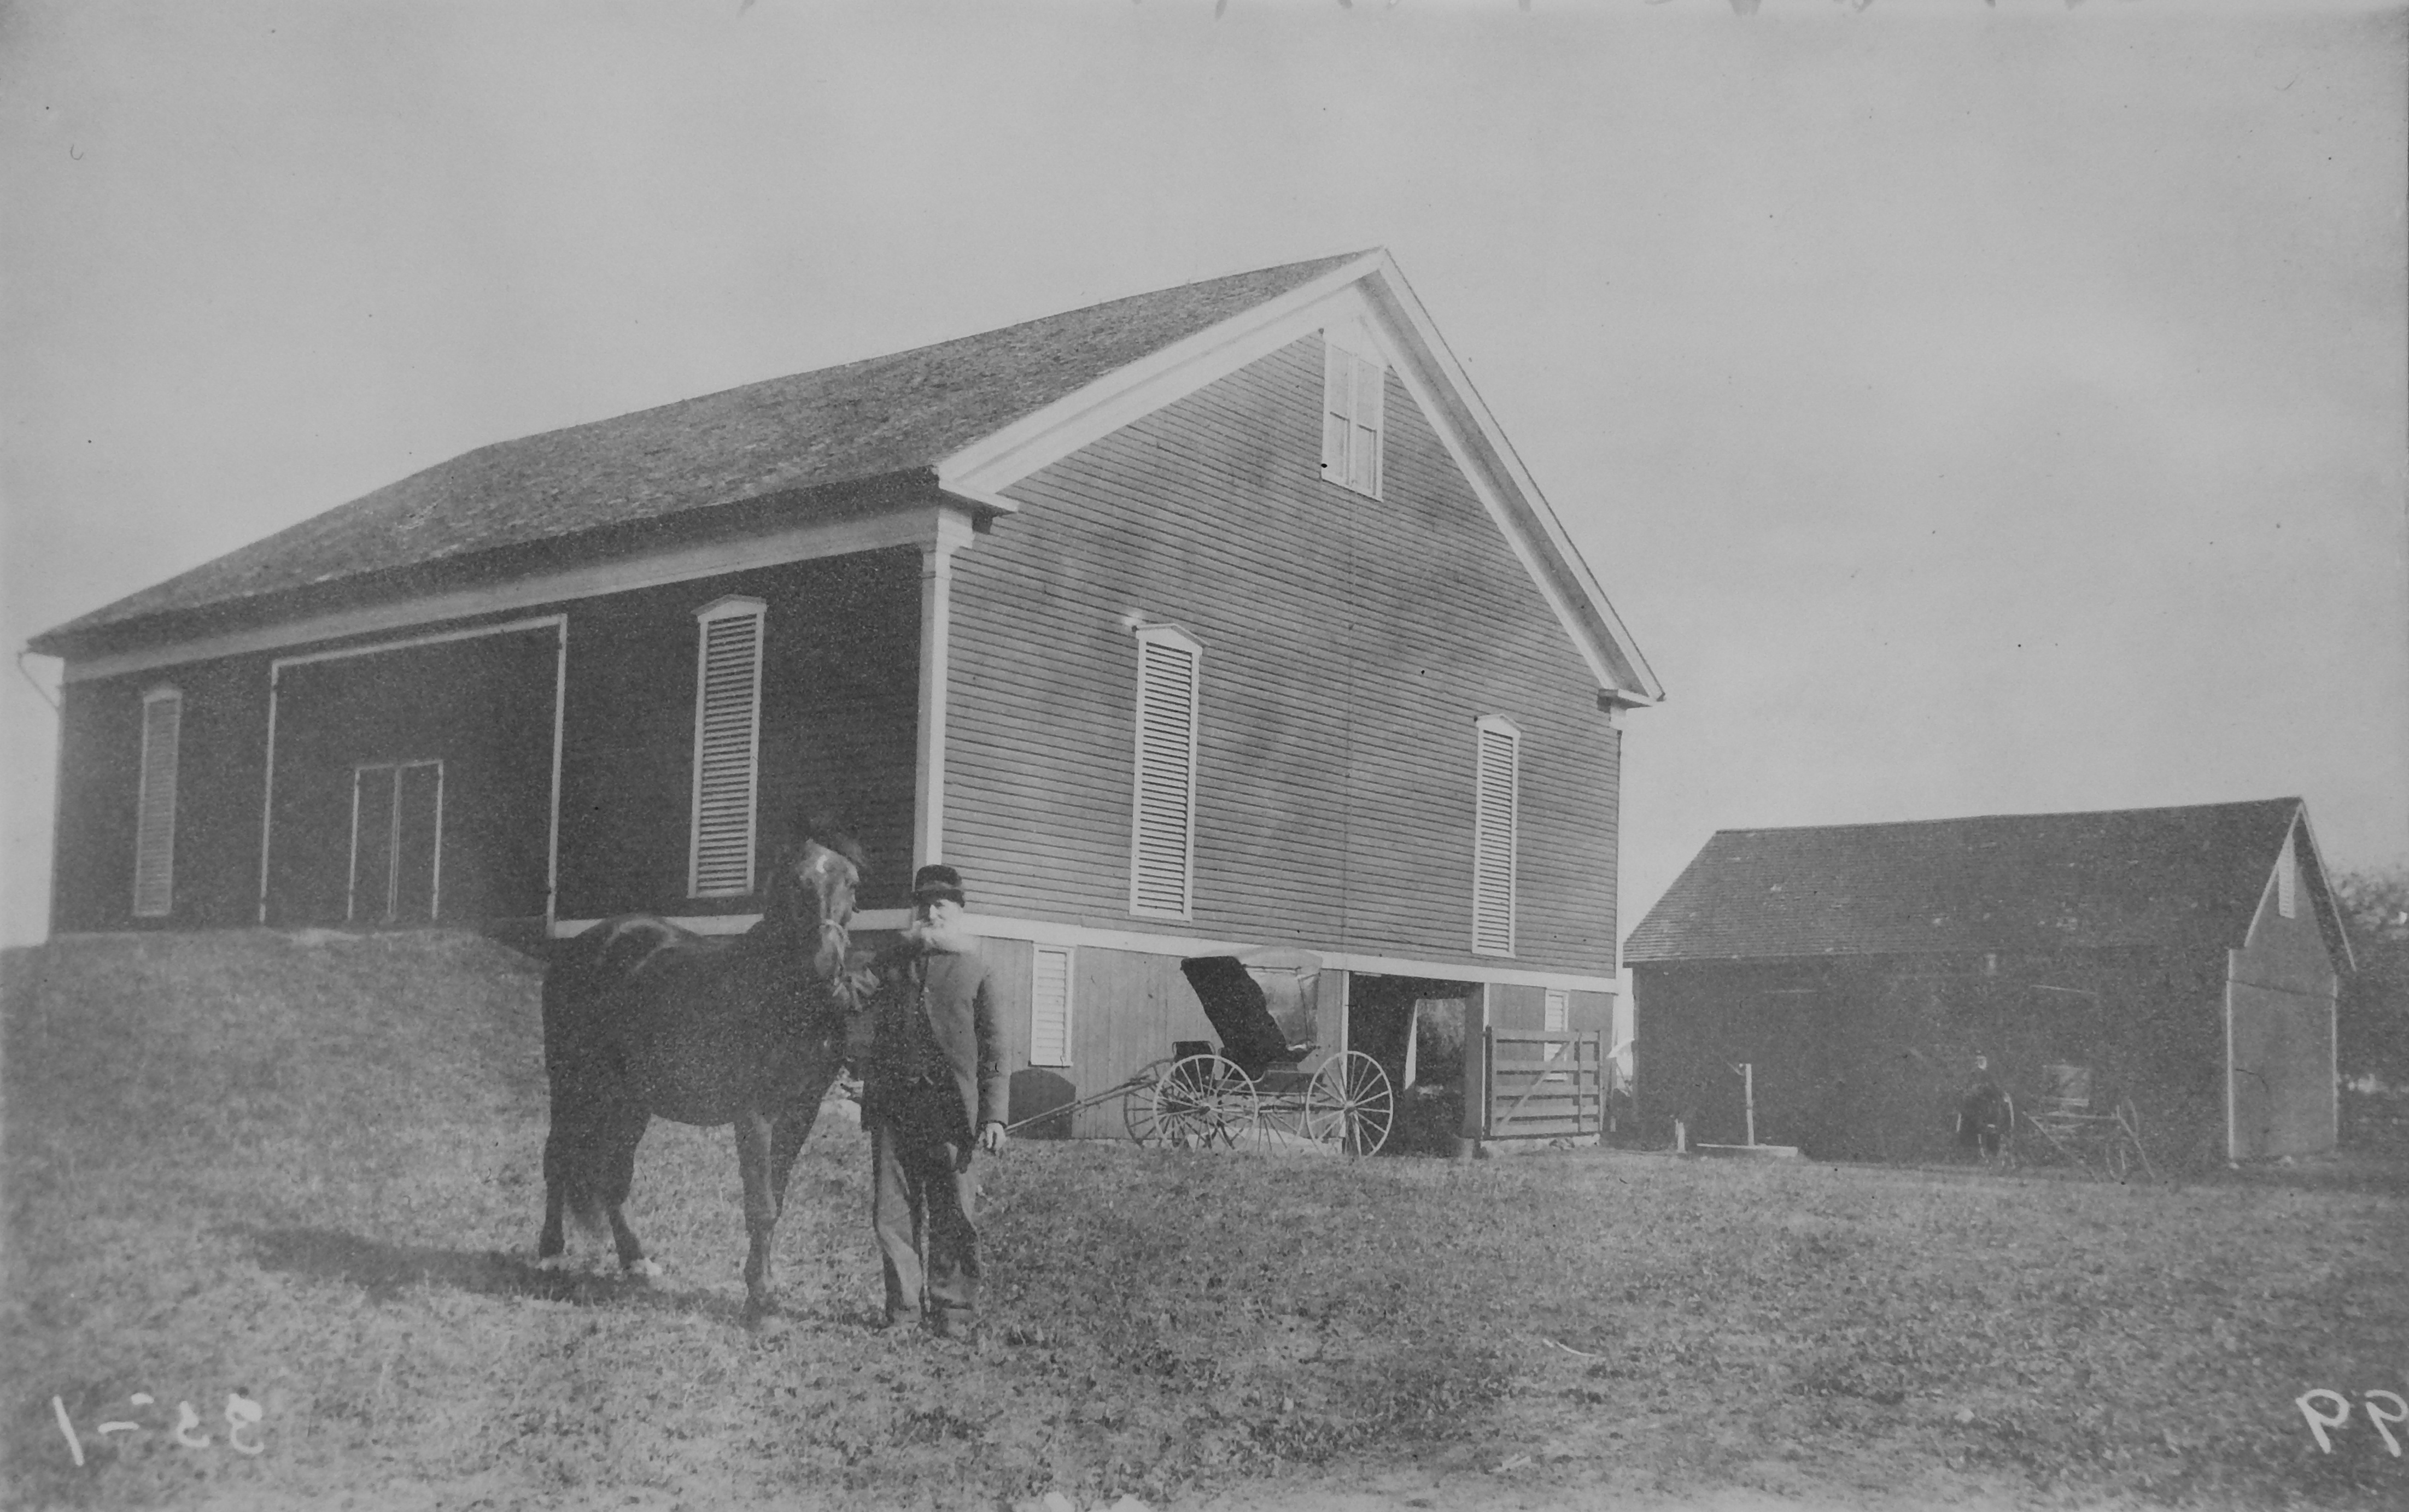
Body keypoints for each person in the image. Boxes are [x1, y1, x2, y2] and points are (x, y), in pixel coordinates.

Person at [861, 863, 1007, 1338]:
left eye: (940, 903)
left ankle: (954, 1313)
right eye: (923, 903)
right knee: (894, 1212)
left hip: (951, 1114)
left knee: (954, 1213)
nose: (930, 912)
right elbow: (851, 997)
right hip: (894, 1108)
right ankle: (903, 1311)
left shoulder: (978, 968)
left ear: (959, 911)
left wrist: (995, 1117)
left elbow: (995, 1049)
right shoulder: (890, 961)